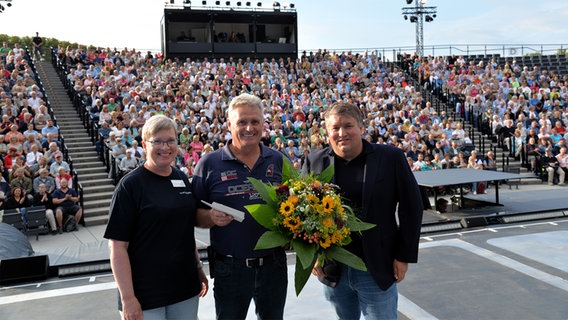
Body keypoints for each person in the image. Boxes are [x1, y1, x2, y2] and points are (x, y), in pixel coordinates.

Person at [302, 101, 424, 320]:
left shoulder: (390, 158)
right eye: (335, 129)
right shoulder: (315, 162)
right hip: (334, 269)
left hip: (376, 266)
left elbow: (411, 207)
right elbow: (304, 214)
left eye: (348, 126)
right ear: (327, 132)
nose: (342, 133)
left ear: (361, 127)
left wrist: (403, 256)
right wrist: (312, 256)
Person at [192, 93, 288, 320]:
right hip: (230, 268)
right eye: (242, 122)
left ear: (263, 124)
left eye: (255, 121)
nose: (249, 128)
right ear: (229, 124)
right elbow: (193, 214)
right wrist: (211, 217)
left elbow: (292, 205)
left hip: (273, 266)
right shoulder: (209, 163)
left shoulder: (278, 160)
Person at [104, 115, 208, 320]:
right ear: (144, 145)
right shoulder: (130, 186)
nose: (165, 147)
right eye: (157, 141)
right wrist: (128, 298)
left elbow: (185, 231)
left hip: (184, 288)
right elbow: (117, 247)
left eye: (170, 140)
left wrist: (198, 268)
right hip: (145, 294)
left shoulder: (180, 178)